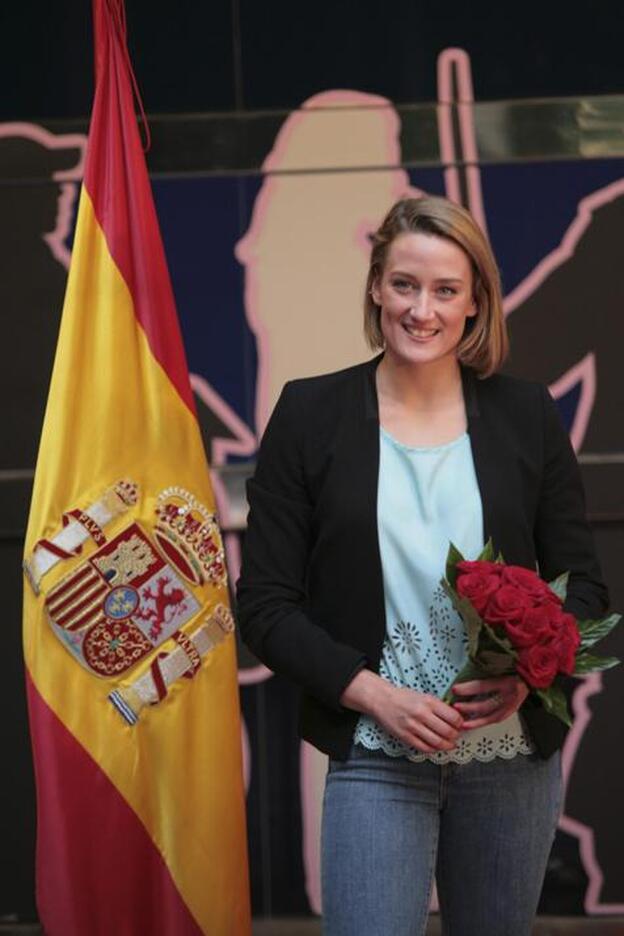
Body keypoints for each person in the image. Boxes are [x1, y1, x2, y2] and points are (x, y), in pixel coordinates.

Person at [236, 195, 608, 935]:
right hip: (377, 753)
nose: (422, 309)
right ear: (375, 285)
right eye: (405, 284)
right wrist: (373, 694)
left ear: (475, 304)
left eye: (445, 290)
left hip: (509, 761)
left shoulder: (526, 415)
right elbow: (266, 604)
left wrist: (526, 674)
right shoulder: (310, 415)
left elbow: (585, 591)